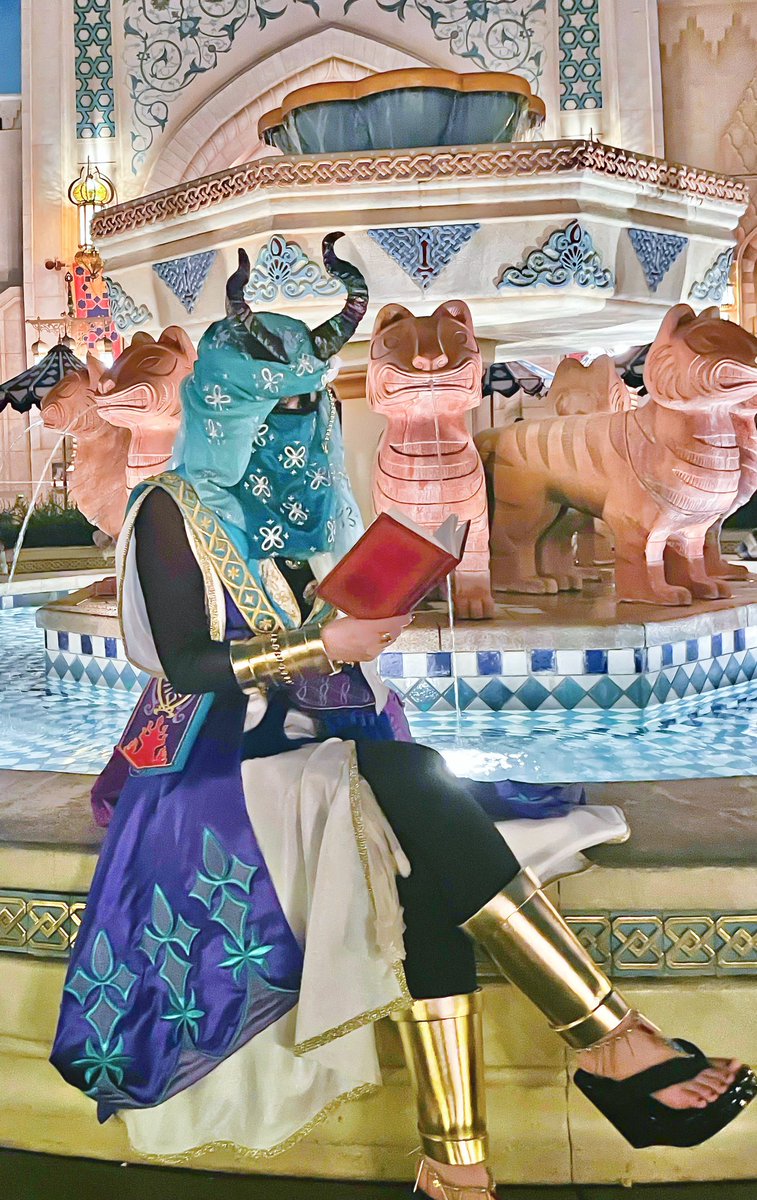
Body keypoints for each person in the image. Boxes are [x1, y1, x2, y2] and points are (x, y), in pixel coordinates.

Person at [52, 238, 755, 1199]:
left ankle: (457, 1164)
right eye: (269, 408)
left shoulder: (298, 512)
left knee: (423, 859)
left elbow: (324, 618)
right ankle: (608, 1038)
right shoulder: (169, 507)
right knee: (422, 792)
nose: (291, 429)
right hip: (209, 762)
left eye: (305, 406)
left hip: (326, 733)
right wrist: (322, 646)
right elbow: (183, 662)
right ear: (221, 407)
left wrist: (366, 620)